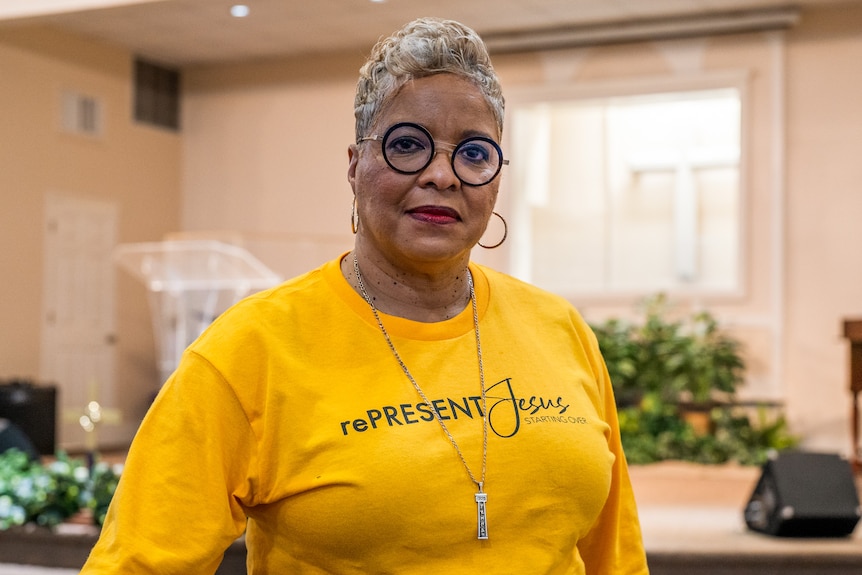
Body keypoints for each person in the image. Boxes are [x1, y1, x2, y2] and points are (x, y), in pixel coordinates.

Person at [81, 17, 649, 574]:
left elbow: (614, 556)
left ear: (497, 178)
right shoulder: (248, 351)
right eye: (408, 145)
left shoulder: (559, 329)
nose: (443, 175)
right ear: (355, 167)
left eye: (474, 152)